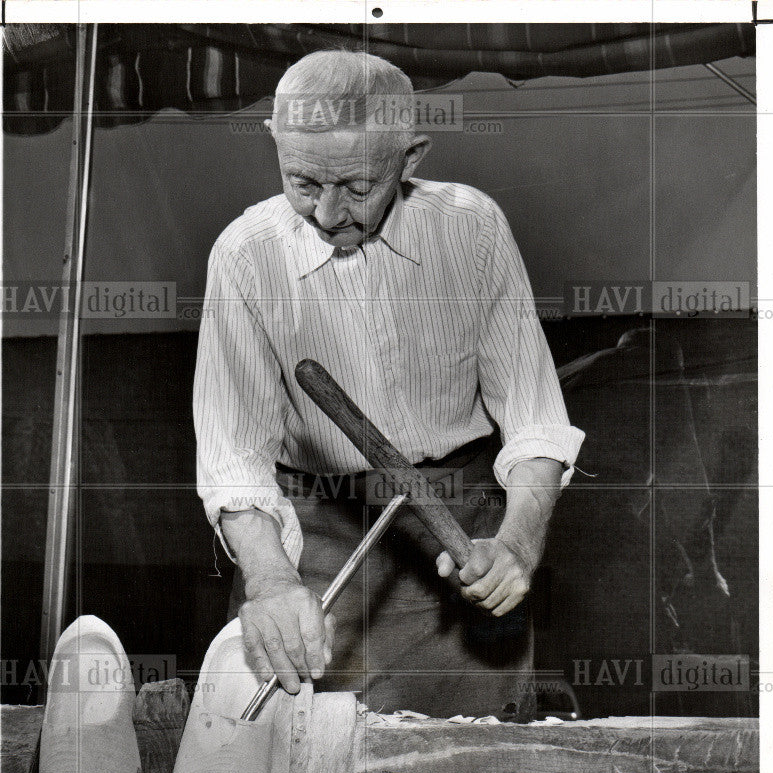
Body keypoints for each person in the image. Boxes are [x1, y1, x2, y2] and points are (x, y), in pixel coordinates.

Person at [193, 49, 584, 723]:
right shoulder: (244, 254)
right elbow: (233, 458)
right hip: (310, 532)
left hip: (456, 526)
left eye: (356, 186)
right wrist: (269, 577)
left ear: (410, 158)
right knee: (290, 762)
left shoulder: (471, 229)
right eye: (303, 183)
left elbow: (533, 422)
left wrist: (516, 546)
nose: (326, 213)